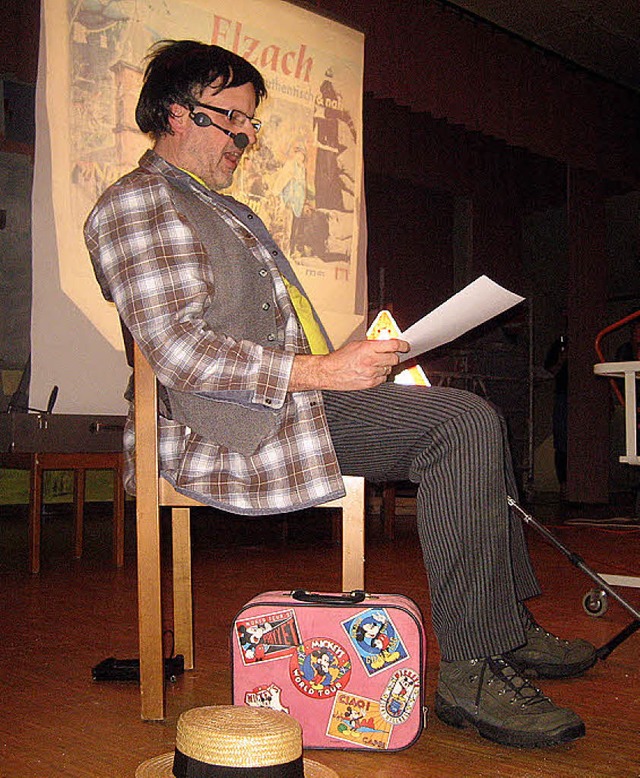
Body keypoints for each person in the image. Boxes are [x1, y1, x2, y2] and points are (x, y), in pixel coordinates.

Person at [84, 40, 597, 750]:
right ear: (174, 111)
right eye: (230, 118)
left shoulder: (222, 209)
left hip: (287, 402)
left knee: (471, 417)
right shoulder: (136, 204)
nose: (245, 136)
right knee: (462, 424)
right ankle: (473, 672)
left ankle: (502, 632)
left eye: (250, 122)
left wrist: (349, 361)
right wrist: (326, 372)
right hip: (224, 425)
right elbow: (178, 350)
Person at [544, 327, 569, 496]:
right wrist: (561, 360)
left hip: (582, 399)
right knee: (561, 443)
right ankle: (564, 485)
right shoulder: (558, 345)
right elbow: (549, 371)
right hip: (563, 396)